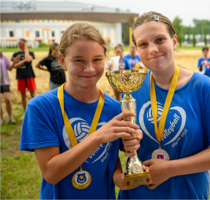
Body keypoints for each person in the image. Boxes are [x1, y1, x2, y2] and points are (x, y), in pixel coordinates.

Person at [119, 11, 210, 200]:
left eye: (159, 39)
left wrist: (170, 169)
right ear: (136, 49)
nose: (152, 49)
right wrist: (127, 142)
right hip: (140, 194)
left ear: (174, 41)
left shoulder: (202, 86)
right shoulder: (133, 87)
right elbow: (122, 143)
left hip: (186, 193)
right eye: (143, 44)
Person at [20, 22, 142, 199]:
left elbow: (110, 156)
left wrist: (119, 177)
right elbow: (51, 173)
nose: (90, 68)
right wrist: (98, 137)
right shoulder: (40, 107)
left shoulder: (116, 108)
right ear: (62, 60)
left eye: (97, 59)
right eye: (79, 60)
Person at [11, 38, 36, 120]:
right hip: (20, 77)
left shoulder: (30, 53)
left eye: (21, 43)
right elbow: (15, 66)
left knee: (33, 95)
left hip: (29, 76)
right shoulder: (15, 54)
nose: (19, 45)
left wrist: (26, 49)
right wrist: (24, 60)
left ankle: (36, 112)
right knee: (23, 95)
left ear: (25, 44)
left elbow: (28, 59)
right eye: (18, 43)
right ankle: (25, 113)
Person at [0, 51, 17, 124]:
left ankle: (10, 118)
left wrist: (14, 63)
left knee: (7, 99)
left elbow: (9, 68)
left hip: (5, 82)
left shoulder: (3, 56)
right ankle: (2, 119)